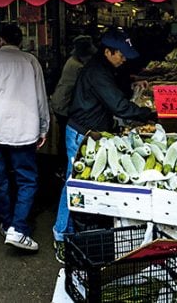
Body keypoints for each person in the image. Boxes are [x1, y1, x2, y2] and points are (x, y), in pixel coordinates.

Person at [52, 28, 156, 264]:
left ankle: (75, 232)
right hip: (81, 135)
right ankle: (61, 236)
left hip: (93, 133)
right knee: (73, 185)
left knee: (79, 184)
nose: (125, 58)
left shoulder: (105, 67)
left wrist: (134, 83)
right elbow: (119, 106)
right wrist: (149, 114)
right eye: (121, 54)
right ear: (108, 52)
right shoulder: (97, 72)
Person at [0, 22, 49, 252]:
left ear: (0, 40)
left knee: (2, 179)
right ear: (21, 41)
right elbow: (41, 97)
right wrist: (44, 127)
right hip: (26, 132)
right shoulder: (30, 61)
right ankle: (19, 227)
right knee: (27, 181)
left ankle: (8, 223)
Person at [50, 35, 97, 139]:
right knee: (68, 136)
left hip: (61, 103)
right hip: (63, 105)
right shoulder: (77, 67)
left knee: (65, 135)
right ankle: (65, 155)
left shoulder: (72, 60)